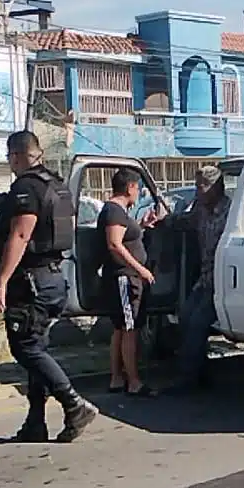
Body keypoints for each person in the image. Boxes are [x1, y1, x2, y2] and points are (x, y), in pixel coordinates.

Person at [0, 129, 96, 444]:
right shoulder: (56, 184)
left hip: (32, 283)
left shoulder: (26, 187)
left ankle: (73, 404)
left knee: (25, 347)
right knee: (36, 349)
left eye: (9, 158)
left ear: (15, 156)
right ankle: (35, 424)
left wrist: (0, 282)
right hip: (53, 278)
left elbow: (21, 235)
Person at [170, 163, 231, 392]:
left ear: (217, 188)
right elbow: (184, 222)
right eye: (197, 186)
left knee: (197, 324)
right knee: (185, 317)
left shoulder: (231, 212)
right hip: (204, 278)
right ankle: (201, 372)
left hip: (223, 280)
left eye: (203, 186)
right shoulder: (201, 209)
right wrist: (162, 220)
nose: (199, 191)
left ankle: (188, 380)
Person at [97, 167, 156, 396]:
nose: (139, 192)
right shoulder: (114, 211)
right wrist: (140, 269)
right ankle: (133, 382)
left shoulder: (120, 212)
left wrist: (141, 226)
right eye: (138, 188)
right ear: (130, 187)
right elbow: (114, 244)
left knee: (121, 329)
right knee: (129, 329)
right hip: (124, 278)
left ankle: (117, 378)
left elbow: (124, 237)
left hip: (124, 276)